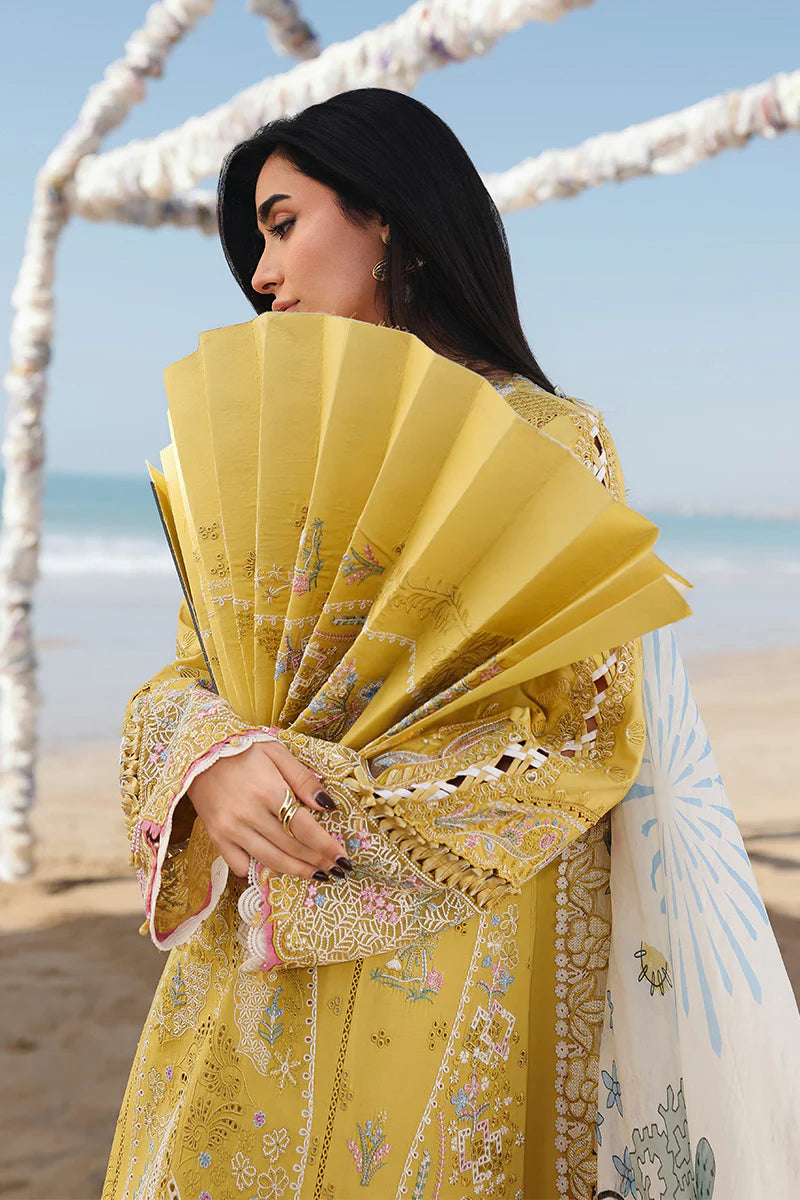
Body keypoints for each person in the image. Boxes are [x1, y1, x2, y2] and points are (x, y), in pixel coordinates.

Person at [102, 88, 799, 1200]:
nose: (261, 273)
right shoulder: (270, 455)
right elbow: (193, 671)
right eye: (255, 244)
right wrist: (213, 762)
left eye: (281, 224)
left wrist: (326, 811)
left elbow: (580, 729)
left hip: (454, 935)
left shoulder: (548, 442)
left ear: (384, 216)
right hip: (261, 928)